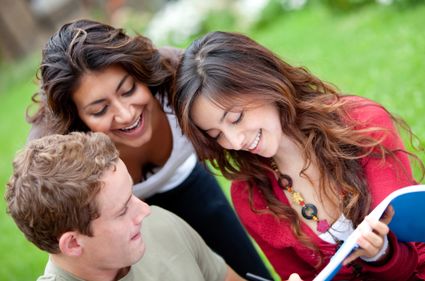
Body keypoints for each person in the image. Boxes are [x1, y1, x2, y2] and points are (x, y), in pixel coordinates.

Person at [173, 31, 425, 281]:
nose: (234, 142)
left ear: (263, 83)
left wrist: (381, 254)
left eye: (235, 118)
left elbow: (410, 248)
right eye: (216, 134)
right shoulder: (250, 197)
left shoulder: (361, 123)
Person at [27, 19, 270, 279]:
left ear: (141, 74)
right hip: (121, 216)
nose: (126, 114)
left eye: (129, 90)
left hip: (190, 183)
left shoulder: (177, 73)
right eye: (99, 110)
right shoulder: (56, 145)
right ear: (77, 118)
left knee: (247, 271)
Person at [5, 132, 244, 281]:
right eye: (122, 210)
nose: (145, 211)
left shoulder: (159, 226)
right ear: (74, 243)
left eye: (132, 194)